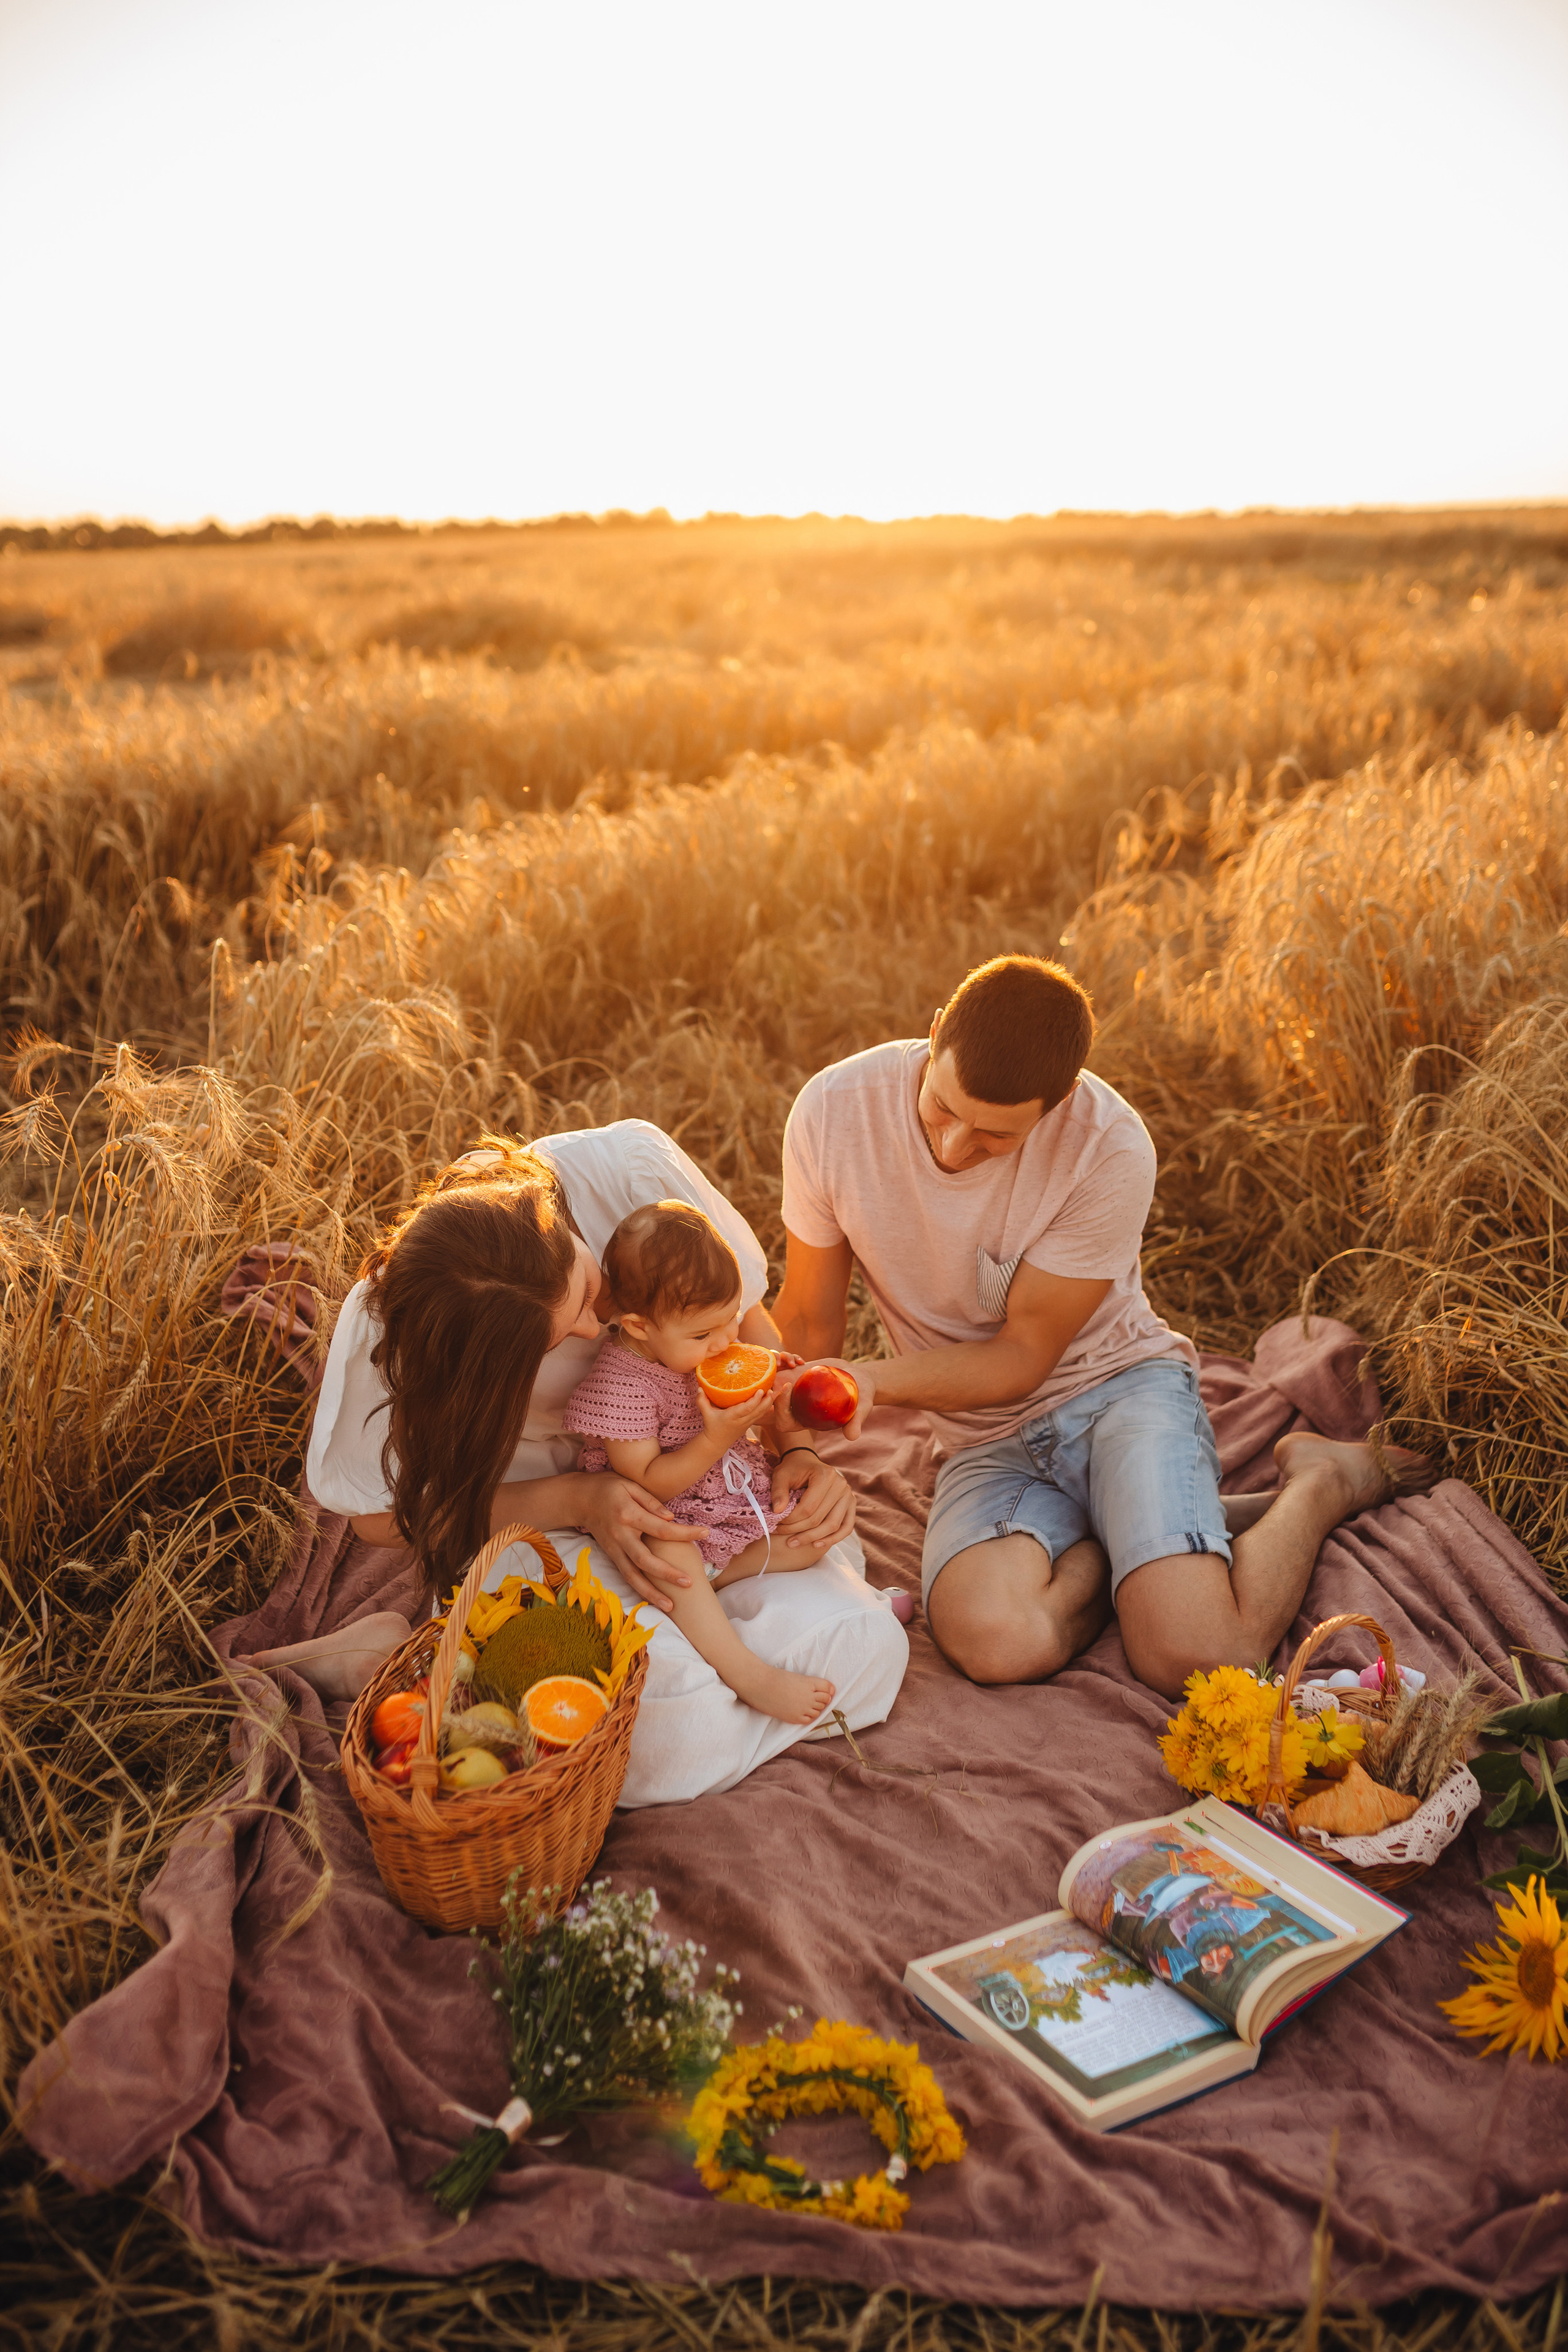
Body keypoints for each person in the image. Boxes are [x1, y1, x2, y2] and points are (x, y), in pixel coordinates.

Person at [772, 952, 1430, 1700]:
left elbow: (1023, 1356)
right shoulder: (833, 1112)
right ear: (933, 1038)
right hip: (983, 1438)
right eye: (942, 1109)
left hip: (1119, 1390)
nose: (954, 1148)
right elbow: (805, 1316)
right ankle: (1147, 1533)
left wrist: (870, 1383)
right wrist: (793, 1442)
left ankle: (1319, 1481)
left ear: (1061, 1102)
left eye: (993, 1136)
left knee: (1194, 1657)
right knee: (994, 1639)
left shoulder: (1108, 1146)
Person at [303, 1122, 908, 1803]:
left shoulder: (629, 1176)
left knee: (871, 1647)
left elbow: (750, 1338)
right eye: (561, 1337)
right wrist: (579, 1500)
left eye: (588, 1286)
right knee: (671, 1724)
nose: (597, 1331)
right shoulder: (393, 1325)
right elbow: (380, 1523)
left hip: (702, 1506)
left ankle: (703, 1718)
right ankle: (721, 1713)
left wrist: (797, 1447)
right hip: (540, 1528)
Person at [562, 1199, 838, 1727]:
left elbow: (727, 1358)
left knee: (811, 1535)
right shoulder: (622, 1386)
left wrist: (762, 1369)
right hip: (659, 1508)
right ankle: (746, 1672)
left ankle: (719, 1573)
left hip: (718, 1495)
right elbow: (645, 1484)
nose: (724, 1343)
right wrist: (716, 1441)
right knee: (671, 1550)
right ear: (640, 1327)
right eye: (704, 1336)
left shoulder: (692, 1344)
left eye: (730, 1322)